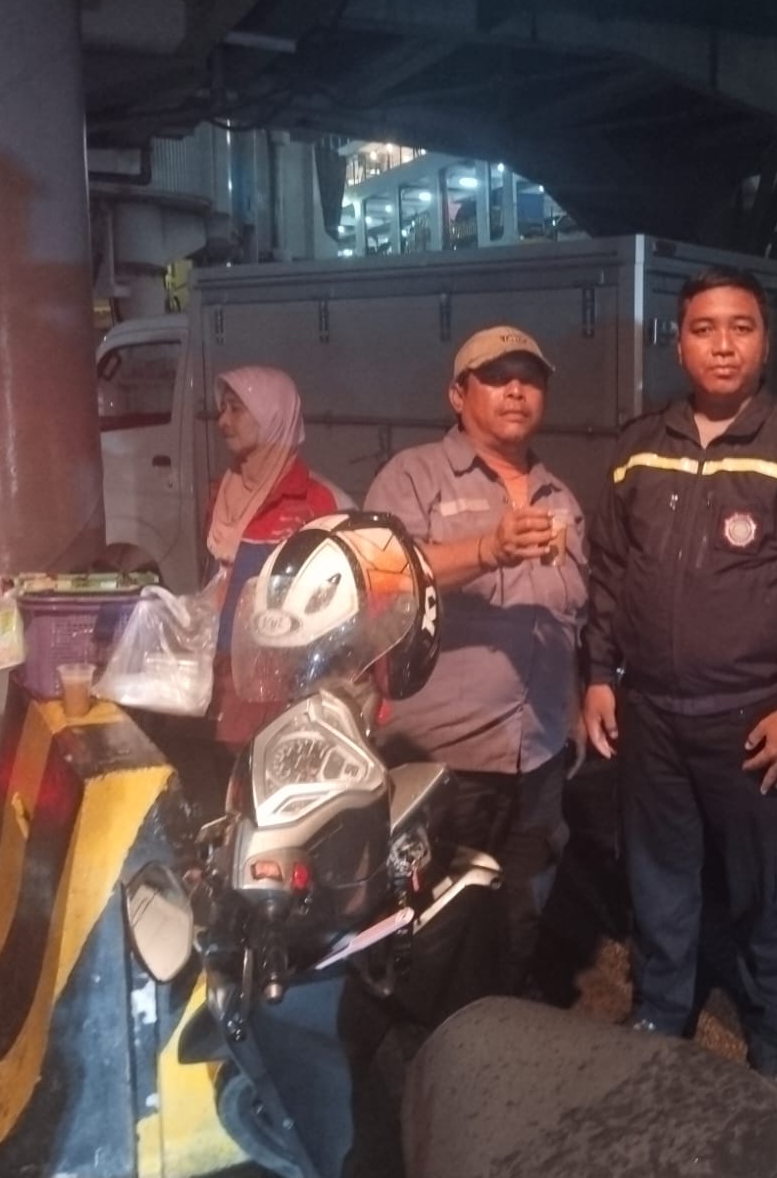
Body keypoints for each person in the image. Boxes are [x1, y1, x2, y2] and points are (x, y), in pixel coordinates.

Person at [581, 267, 777, 1086]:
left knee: (770, 891)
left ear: (765, 342)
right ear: (679, 344)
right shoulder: (639, 446)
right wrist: (598, 675)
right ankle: (660, 1010)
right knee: (658, 883)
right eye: (704, 329)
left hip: (754, 718)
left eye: (741, 327)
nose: (723, 344)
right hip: (652, 716)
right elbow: (609, 573)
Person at [364, 325, 586, 995]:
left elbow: (571, 616)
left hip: (537, 752)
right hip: (441, 757)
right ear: (458, 395)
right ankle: (422, 1032)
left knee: (520, 908)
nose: (516, 390)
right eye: (496, 377)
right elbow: (379, 580)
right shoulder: (414, 476)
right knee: (426, 915)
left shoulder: (559, 496)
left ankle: (501, 1016)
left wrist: (577, 708)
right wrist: (487, 548)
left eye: (530, 378)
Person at [206, 365, 344, 748]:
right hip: (223, 677)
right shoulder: (222, 492)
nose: (223, 421)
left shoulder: (314, 501)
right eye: (222, 409)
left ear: (272, 416)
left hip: (280, 688)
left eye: (236, 409)